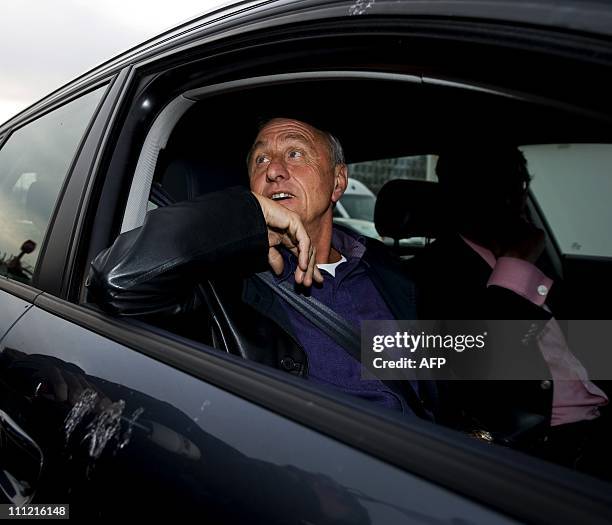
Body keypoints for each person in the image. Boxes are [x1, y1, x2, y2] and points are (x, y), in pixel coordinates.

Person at [87, 118, 433, 420]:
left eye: (295, 154)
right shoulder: (222, 288)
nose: (273, 170)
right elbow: (117, 282)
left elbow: (448, 366)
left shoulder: (384, 271)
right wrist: (246, 218)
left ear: (338, 182)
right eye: (260, 159)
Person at [412, 146, 610, 477]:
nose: (513, 201)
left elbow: (579, 345)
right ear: (459, 194)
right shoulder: (427, 275)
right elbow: (474, 364)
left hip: (594, 425)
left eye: (518, 187)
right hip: (533, 447)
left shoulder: (534, 252)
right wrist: (515, 267)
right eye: (496, 187)